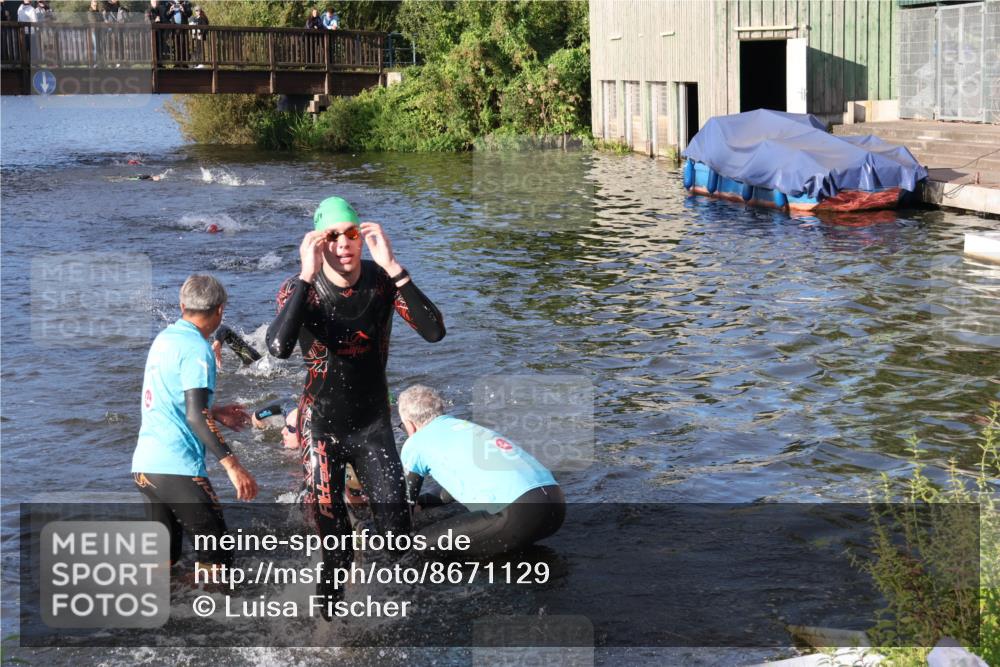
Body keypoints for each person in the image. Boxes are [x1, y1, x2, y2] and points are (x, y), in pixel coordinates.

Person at [266, 196, 445, 615]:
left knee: (399, 538)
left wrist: (396, 267)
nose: (344, 243)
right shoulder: (300, 291)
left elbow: (434, 332)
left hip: (371, 427)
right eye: (333, 236)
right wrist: (307, 276)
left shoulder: (382, 283)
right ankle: (328, 632)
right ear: (318, 242)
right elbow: (278, 347)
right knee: (338, 553)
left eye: (352, 234)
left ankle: (410, 622)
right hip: (322, 431)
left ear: (362, 240)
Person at [132, 274, 258, 575]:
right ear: (220, 310)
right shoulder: (197, 349)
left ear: (182, 305)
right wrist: (233, 466)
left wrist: (214, 411)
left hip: (145, 469)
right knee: (219, 566)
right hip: (178, 470)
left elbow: (170, 398)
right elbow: (194, 415)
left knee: (163, 566)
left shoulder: (165, 339)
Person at [398, 385, 565, 559]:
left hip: (517, 514)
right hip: (555, 504)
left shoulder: (415, 443)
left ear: (410, 425)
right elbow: (451, 491)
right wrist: (424, 502)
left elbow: (403, 506)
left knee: (417, 547)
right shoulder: (466, 428)